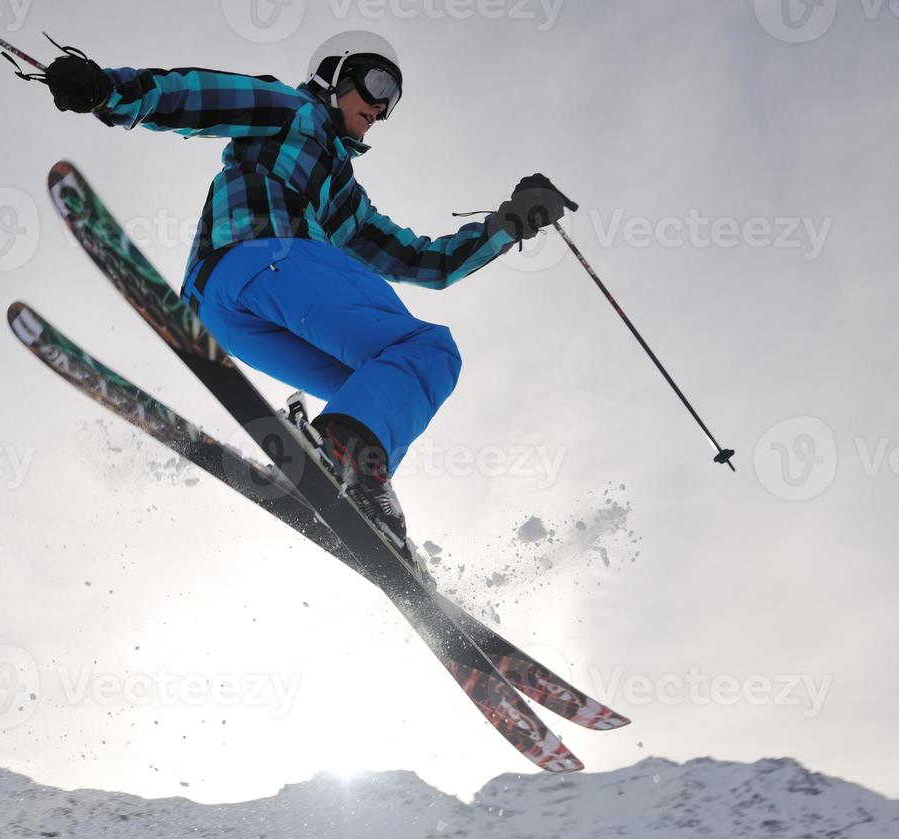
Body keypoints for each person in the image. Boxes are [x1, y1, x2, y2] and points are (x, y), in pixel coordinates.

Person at [39, 31, 570, 532]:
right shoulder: (293, 112)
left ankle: (357, 480)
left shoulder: (345, 204)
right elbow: (202, 96)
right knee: (430, 350)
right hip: (262, 257)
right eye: (378, 84)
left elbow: (426, 262)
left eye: (393, 101)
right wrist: (111, 91)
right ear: (335, 74)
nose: (382, 107)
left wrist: (510, 225)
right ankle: (342, 453)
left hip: (230, 316)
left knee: (376, 385)